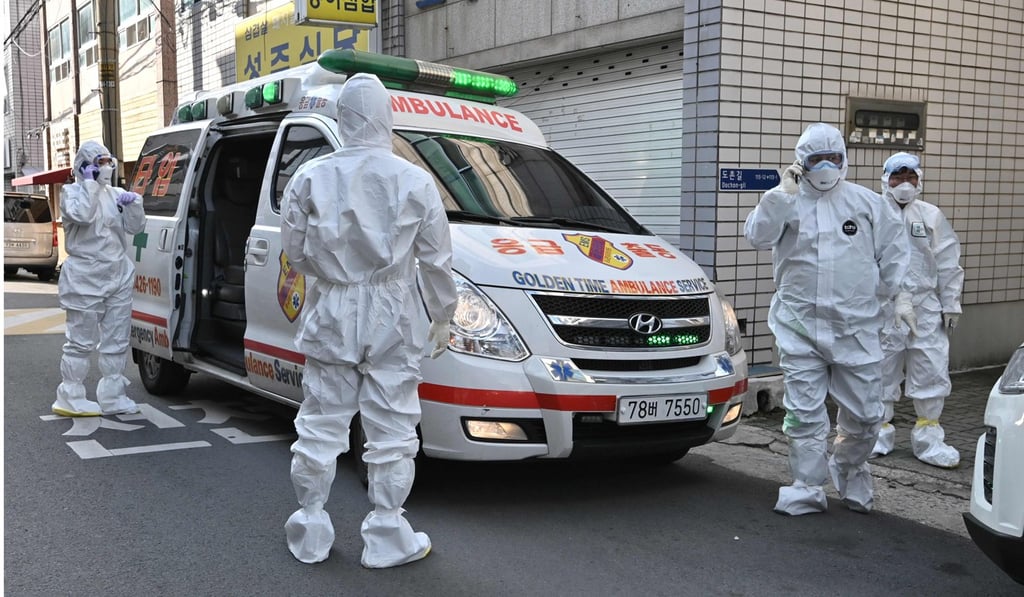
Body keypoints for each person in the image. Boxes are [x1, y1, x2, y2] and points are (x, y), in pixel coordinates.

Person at [280, 73, 458, 567]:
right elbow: (436, 262)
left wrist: (332, 276)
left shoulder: (310, 176)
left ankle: (310, 528)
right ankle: (386, 533)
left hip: (333, 307)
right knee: (393, 427)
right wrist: (443, 315)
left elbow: (293, 254)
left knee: (319, 422)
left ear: (342, 117)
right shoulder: (415, 179)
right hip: (393, 311)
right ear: (386, 117)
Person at [743, 123, 912, 515]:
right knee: (803, 414)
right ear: (801, 161)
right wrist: (779, 195)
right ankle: (806, 484)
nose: (825, 166)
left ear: (844, 160)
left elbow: (895, 254)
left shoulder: (868, 203)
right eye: (816, 159)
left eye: (832, 158)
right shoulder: (787, 200)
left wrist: (900, 297)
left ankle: (849, 467)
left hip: (857, 327)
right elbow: (757, 235)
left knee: (869, 415)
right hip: (799, 327)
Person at [871, 152, 964, 468]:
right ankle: (876, 435)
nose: (905, 183)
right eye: (898, 176)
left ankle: (929, 440)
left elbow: (948, 260)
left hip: (925, 308)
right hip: (883, 308)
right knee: (879, 372)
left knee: (931, 371)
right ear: (886, 179)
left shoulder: (930, 215)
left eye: (911, 177)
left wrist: (952, 303)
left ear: (919, 180)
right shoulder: (872, 213)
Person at [53, 140, 145, 417]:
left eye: (107, 162)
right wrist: (91, 184)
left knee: (117, 338)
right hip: (85, 274)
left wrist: (134, 205)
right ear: (83, 167)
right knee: (81, 340)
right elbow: (81, 214)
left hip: (117, 271)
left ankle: (113, 395)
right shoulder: (71, 193)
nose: (105, 167)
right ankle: (70, 394)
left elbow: (136, 227)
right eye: (98, 163)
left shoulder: (116, 193)